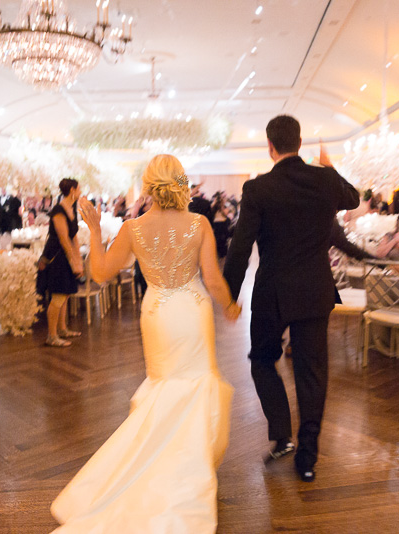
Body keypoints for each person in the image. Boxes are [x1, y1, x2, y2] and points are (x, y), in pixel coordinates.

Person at [50, 154, 238, 533]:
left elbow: (101, 272)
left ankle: (157, 467)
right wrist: (231, 306)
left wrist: (97, 232)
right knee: (197, 386)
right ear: (181, 183)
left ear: (149, 187)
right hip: (193, 310)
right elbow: (214, 280)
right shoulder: (200, 223)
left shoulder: (134, 228)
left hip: (157, 312)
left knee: (162, 388)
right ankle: (189, 470)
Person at [223, 115, 360, 482]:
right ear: (299, 143)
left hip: (272, 292)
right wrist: (330, 166)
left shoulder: (258, 189)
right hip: (314, 290)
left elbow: (240, 249)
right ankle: (308, 458)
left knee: (262, 359)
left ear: (270, 146)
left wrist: (229, 295)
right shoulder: (326, 180)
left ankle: (282, 434)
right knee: (312, 373)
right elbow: (354, 197)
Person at [40, 178, 84, 347]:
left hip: (66, 256)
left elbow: (74, 237)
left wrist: (78, 259)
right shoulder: (59, 210)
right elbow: (64, 239)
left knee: (64, 295)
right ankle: (51, 335)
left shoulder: (71, 208)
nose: (81, 192)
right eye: (79, 189)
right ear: (72, 190)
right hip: (57, 257)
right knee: (58, 295)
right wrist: (73, 261)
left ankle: (63, 329)